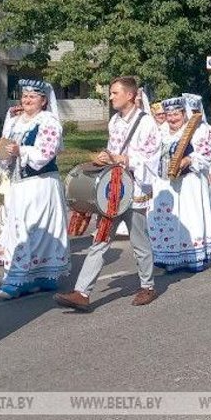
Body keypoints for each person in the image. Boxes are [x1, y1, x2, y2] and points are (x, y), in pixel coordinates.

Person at [56, 77, 161, 312]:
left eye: (115, 93)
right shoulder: (114, 121)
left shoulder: (147, 123)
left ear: (130, 95)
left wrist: (124, 159)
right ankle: (82, 292)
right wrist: (105, 156)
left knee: (139, 241)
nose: (110, 97)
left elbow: (153, 158)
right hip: (113, 191)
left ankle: (148, 286)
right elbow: (113, 150)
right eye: (111, 93)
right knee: (100, 240)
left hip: (134, 191)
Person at [0, 79, 69, 300]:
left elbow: (45, 153)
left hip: (41, 183)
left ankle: (35, 276)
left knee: (37, 231)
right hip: (19, 185)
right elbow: (4, 150)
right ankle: (21, 276)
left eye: (32, 97)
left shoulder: (49, 122)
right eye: (24, 96)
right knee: (19, 229)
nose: (26, 100)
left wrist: (21, 150)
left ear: (43, 101)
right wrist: (1, 154)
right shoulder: (15, 122)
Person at [146, 94, 211, 272]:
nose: (172, 119)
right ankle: (172, 258)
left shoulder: (197, 130)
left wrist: (189, 159)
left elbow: (208, 153)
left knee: (189, 217)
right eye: (169, 115)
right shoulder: (161, 131)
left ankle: (193, 257)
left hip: (189, 183)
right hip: (165, 184)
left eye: (176, 114)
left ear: (184, 113)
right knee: (168, 218)